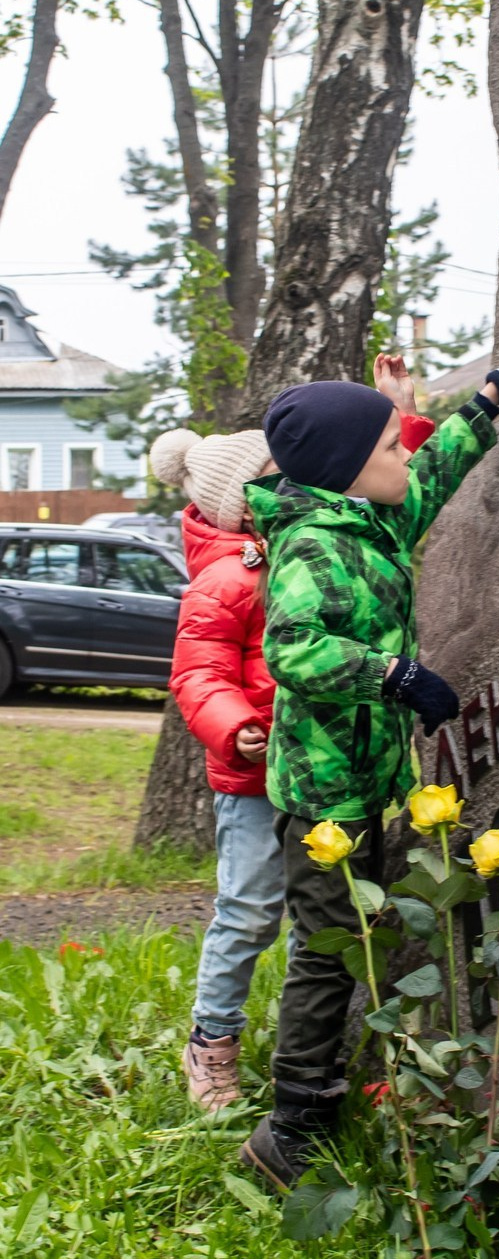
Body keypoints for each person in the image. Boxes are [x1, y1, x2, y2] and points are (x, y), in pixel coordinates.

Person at [239, 348, 499, 1188]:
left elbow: (430, 479)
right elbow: (293, 649)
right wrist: (396, 675)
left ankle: (355, 1077)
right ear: (346, 469)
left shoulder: (368, 520)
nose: (404, 453)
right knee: (325, 948)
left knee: (365, 936)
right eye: (389, 445)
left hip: (368, 781)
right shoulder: (314, 545)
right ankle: (291, 1128)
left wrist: (487, 401)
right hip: (325, 797)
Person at [149, 427, 282, 1110]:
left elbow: (385, 506)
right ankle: (212, 1041)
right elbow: (197, 675)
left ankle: (312, 1042)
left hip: (319, 771)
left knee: (336, 910)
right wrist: (237, 728)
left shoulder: (311, 549)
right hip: (254, 781)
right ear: (239, 504)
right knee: (250, 910)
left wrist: (405, 431)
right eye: (272, 476)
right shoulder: (227, 580)